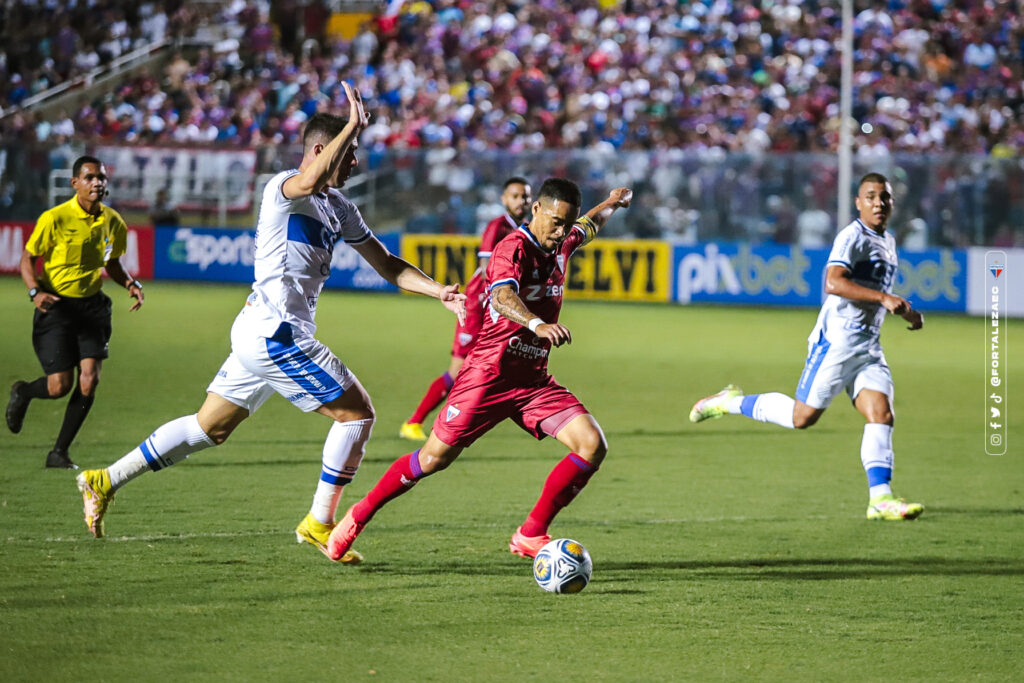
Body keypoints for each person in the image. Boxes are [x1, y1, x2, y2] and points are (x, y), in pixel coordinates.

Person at [73, 84, 467, 564]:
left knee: (208, 428)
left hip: (262, 333)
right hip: (275, 334)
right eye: (350, 152)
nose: (356, 162)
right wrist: (350, 126)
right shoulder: (283, 189)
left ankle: (104, 480)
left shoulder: (339, 207)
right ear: (321, 150)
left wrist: (439, 292)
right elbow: (307, 179)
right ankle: (320, 524)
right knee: (358, 413)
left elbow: (386, 263)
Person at [326, 180, 633, 562]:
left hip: (533, 381)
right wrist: (537, 324)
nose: (560, 231)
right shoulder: (512, 248)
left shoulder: (564, 241)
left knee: (592, 445)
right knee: (432, 459)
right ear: (535, 209)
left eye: (565, 224)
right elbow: (503, 296)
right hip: (488, 376)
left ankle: (530, 533)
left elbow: (590, 224)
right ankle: (358, 515)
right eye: (555, 222)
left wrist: (613, 202)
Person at [689, 172, 925, 521]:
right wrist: (883, 297)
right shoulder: (853, 236)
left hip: (868, 347)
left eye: (884, 198)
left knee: (881, 414)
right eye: (871, 197)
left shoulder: (887, 240)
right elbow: (833, 282)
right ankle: (731, 402)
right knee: (802, 418)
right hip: (837, 342)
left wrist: (907, 313)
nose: (879, 203)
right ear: (858, 203)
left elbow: (879, 297)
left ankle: (880, 499)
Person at [6, 155, 145, 469]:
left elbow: (112, 262)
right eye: (90, 177)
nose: (97, 182)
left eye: (101, 178)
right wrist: (34, 292)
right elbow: (27, 260)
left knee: (89, 380)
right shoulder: (55, 218)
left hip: (92, 307)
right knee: (59, 386)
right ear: (75, 183)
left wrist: (130, 283)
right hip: (56, 306)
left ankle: (59, 453)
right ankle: (24, 391)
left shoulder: (113, 221)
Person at [399, 176, 532, 441]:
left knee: (499, 363)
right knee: (458, 370)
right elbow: (485, 271)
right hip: (477, 305)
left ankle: (468, 420)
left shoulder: (527, 231)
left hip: (498, 308)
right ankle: (413, 423)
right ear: (504, 199)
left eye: (526, 196)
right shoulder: (498, 227)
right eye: (515, 196)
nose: (521, 201)